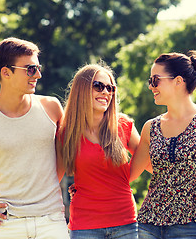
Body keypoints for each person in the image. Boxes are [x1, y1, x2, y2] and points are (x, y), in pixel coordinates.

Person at [130, 51, 196, 238]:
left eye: (155, 80)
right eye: (150, 81)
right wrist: (86, 185)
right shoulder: (151, 127)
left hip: (191, 225)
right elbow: (128, 175)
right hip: (149, 223)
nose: (151, 86)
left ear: (178, 81)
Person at [0, 37, 69, 238]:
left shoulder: (52, 108)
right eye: (30, 69)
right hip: (5, 223)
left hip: (51, 221)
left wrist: (40, 188)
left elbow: (66, 157)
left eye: (39, 68)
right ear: (6, 72)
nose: (38, 75)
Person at [57, 63, 140, 239]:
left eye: (110, 88)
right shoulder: (66, 132)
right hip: (84, 226)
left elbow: (151, 162)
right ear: (81, 90)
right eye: (98, 86)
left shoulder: (123, 125)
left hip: (126, 223)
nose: (106, 92)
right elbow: (51, 176)